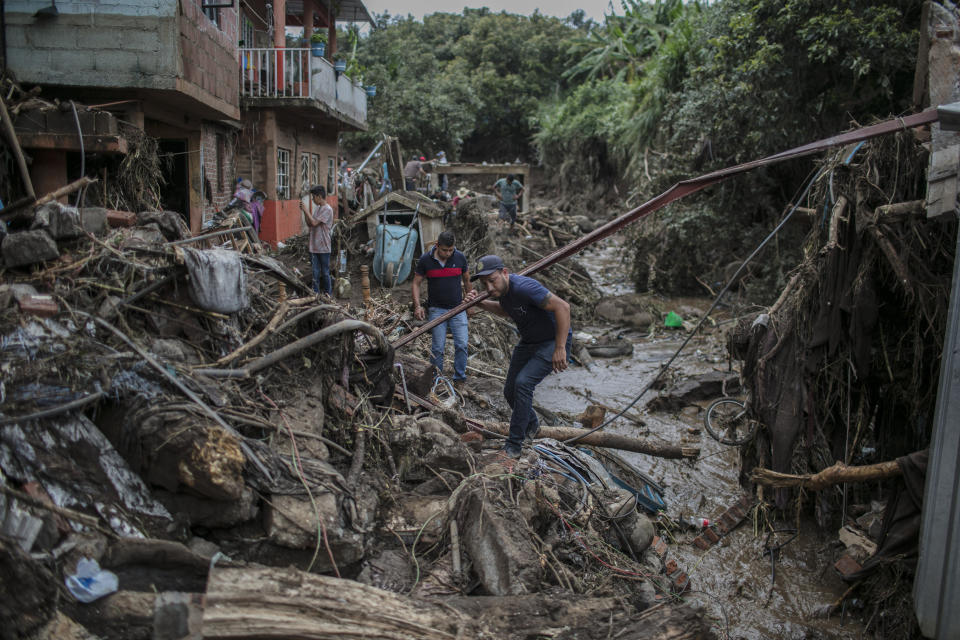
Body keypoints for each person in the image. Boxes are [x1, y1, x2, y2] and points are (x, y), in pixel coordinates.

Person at [466, 255, 572, 458]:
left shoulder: (524, 287)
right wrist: (481, 304)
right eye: (484, 283)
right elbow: (507, 311)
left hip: (552, 340)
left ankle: (514, 445)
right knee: (509, 391)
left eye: (492, 280)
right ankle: (532, 425)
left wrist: (560, 347)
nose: (488, 287)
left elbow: (563, 307)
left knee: (523, 383)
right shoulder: (502, 292)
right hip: (529, 341)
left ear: (504, 272)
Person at [412, 231, 472, 388]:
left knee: (462, 344)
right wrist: (417, 306)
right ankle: (436, 379)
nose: (448, 253)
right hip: (436, 309)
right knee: (438, 348)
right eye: (445, 250)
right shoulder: (426, 260)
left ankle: (459, 379)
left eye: (451, 250)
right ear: (437, 245)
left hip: (458, 308)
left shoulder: (459, 258)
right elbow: (416, 283)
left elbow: (467, 280)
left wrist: (469, 304)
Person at [299, 185, 334, 295]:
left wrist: (306, 209)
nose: (313, 199)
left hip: (323, 246)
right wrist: (305, 212)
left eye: (313, 197)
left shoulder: (327, 209)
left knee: (325, 272)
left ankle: (328, 295)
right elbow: (310, 224)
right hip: (313, 246)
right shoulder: (318, 209)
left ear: (319, 196)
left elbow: (314, 222)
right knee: (315, 273)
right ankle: (315, 295)